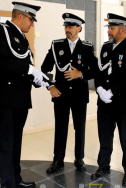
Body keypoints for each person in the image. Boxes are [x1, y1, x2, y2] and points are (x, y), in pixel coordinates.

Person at [0, 1, 48, 188]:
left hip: (20, 97)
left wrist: (38, 79)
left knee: (16, 141)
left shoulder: (22, 37)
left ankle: (16, 178)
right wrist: (30, 71)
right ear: (20, 16)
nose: (32, 25)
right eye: (31, 19)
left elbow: (23, 69)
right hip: (4, 96)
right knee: (6, 142)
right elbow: (0, 63)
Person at [41, 13, 98, 174]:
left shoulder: (87, 47)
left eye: (71, 27)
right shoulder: (56, 45)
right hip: (61, 94)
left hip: (79, 95)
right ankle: (57, 160)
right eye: (66, 26)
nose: (68, 29)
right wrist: (50, 86)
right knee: (60, 127)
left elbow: (95, 70)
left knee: (80, 128)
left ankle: (79, 159)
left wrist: (80, 74)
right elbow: (45, 68)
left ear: (79, 28)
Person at [90, 13, 126, 186]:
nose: (109, 32)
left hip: (123, 102)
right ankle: (103, 165)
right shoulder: (105, 47)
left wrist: (111, 91)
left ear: (122, 30)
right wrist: (99, 89)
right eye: (109, 29)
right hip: (104, 102)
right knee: (104, 136)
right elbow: (98, 71)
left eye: (112, 29)